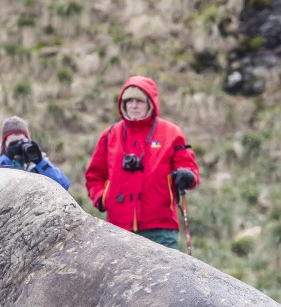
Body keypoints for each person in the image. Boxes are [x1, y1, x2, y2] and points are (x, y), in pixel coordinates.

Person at [84, 75, 199, 250]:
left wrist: (187, 176)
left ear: (150, 103)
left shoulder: (171, 133)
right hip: (118, 228)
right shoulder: (110, 135)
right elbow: (94, 175)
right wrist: (102, 199)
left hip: (161, 229)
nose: (134, 105)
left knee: (164, 277)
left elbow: (190, 168)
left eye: (139, 101)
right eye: (129, 100)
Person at [0, 115, 71, 189]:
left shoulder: (35, 160)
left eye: (22, 141)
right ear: (4, 144)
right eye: (13, 143)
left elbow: (64, 185)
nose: (18, 147)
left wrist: (40, 161)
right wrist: (7, 158)